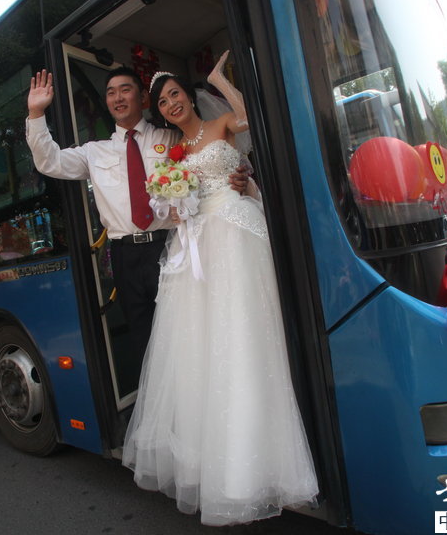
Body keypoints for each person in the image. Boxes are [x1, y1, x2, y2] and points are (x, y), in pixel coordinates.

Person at [122, 51, 319, 526]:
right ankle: (222, 465)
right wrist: (174, 205)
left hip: (236, 232)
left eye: (175, 94)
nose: (171, 103)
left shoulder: (223, 124)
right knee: (205, 347)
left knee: (248, 336)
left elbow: (251, 117)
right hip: (197, 245)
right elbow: (170, 205)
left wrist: (219, 79)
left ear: (190, 96)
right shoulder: (173, 153)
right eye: (162, 101)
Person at [25, 67, 248, 372]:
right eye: (111, 92)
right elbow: (49, 161)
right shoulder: (94, 152)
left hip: (171, 247)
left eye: (125, 90)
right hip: (124, 256)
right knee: (144, 340)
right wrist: (36, 113)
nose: (118, 97)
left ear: (143, 97)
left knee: (186, 331)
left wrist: (238, 176)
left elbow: (211, 153)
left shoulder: (172, 137)